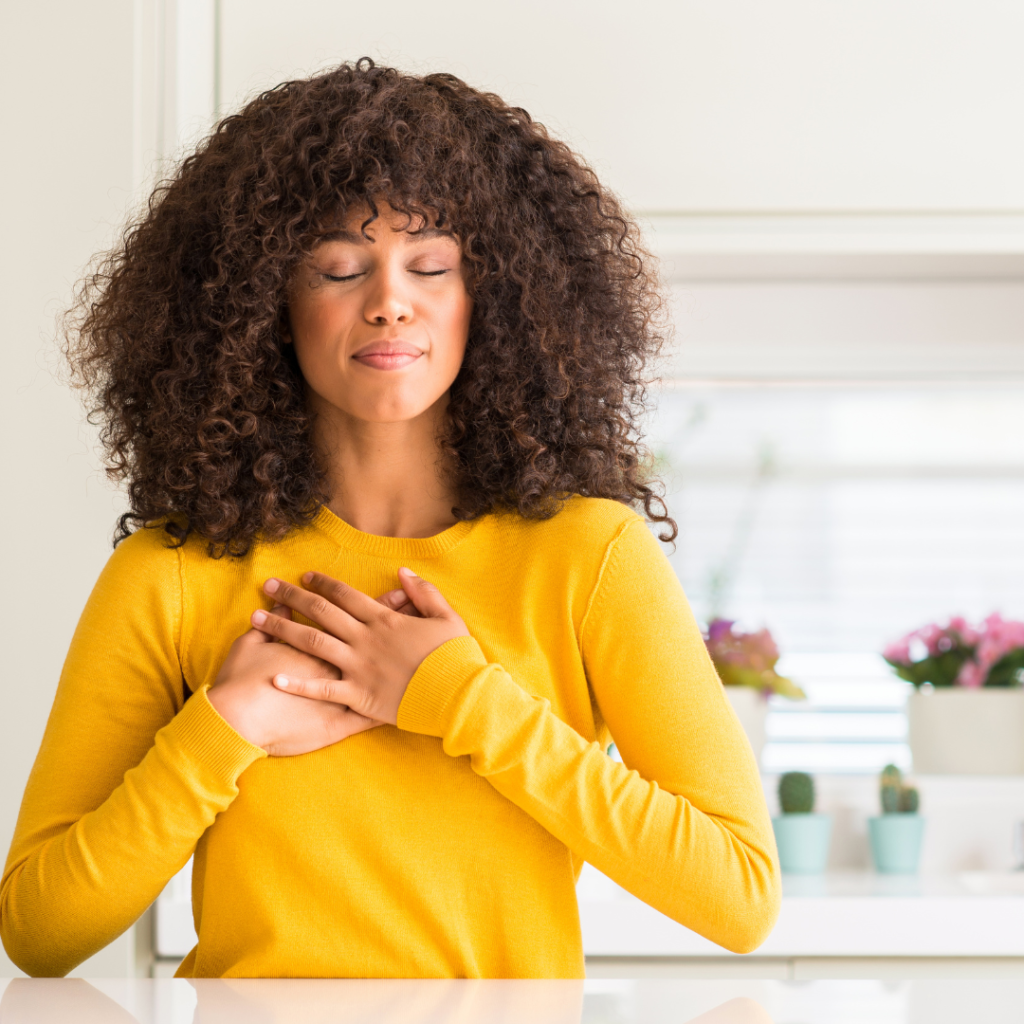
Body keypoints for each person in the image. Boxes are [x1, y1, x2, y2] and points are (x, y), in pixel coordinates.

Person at [1, 59, 780, 979]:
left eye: (431, 264)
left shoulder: (591, 555)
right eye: (337, 267)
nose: (387, 300)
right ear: (259, 304)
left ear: (492, 295)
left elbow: (737, 895)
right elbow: (40, 932)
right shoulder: (176, 573)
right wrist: (224, 727)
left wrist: (459, 699)